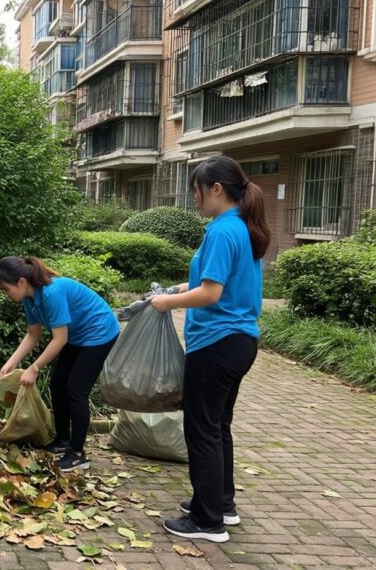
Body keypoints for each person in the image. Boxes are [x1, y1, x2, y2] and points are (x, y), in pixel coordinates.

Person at [150, 156, 270, 543]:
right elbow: (215, 283)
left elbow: (212, 293)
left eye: (196, 191)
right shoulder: (241, 227)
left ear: (216, 189)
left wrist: (166, 303)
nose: (195, 199)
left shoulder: (221, 230)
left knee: (201, 429)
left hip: (216, 343)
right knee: (218, 427)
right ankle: (221, 504)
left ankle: (207, 521)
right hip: (240, 341)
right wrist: (178, 289)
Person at [0, 256, 120, 472]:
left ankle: (77, 454)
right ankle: (62, 441)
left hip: (99, 332)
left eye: (6, 289)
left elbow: (60, 339)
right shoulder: (29, 298)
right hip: (76, 335)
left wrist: (34, 368)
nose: (6, 295)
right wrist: (11, 362)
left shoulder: (52, 293)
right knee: (58, 384)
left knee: (76, 390)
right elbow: (33, 334)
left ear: (21, 282)